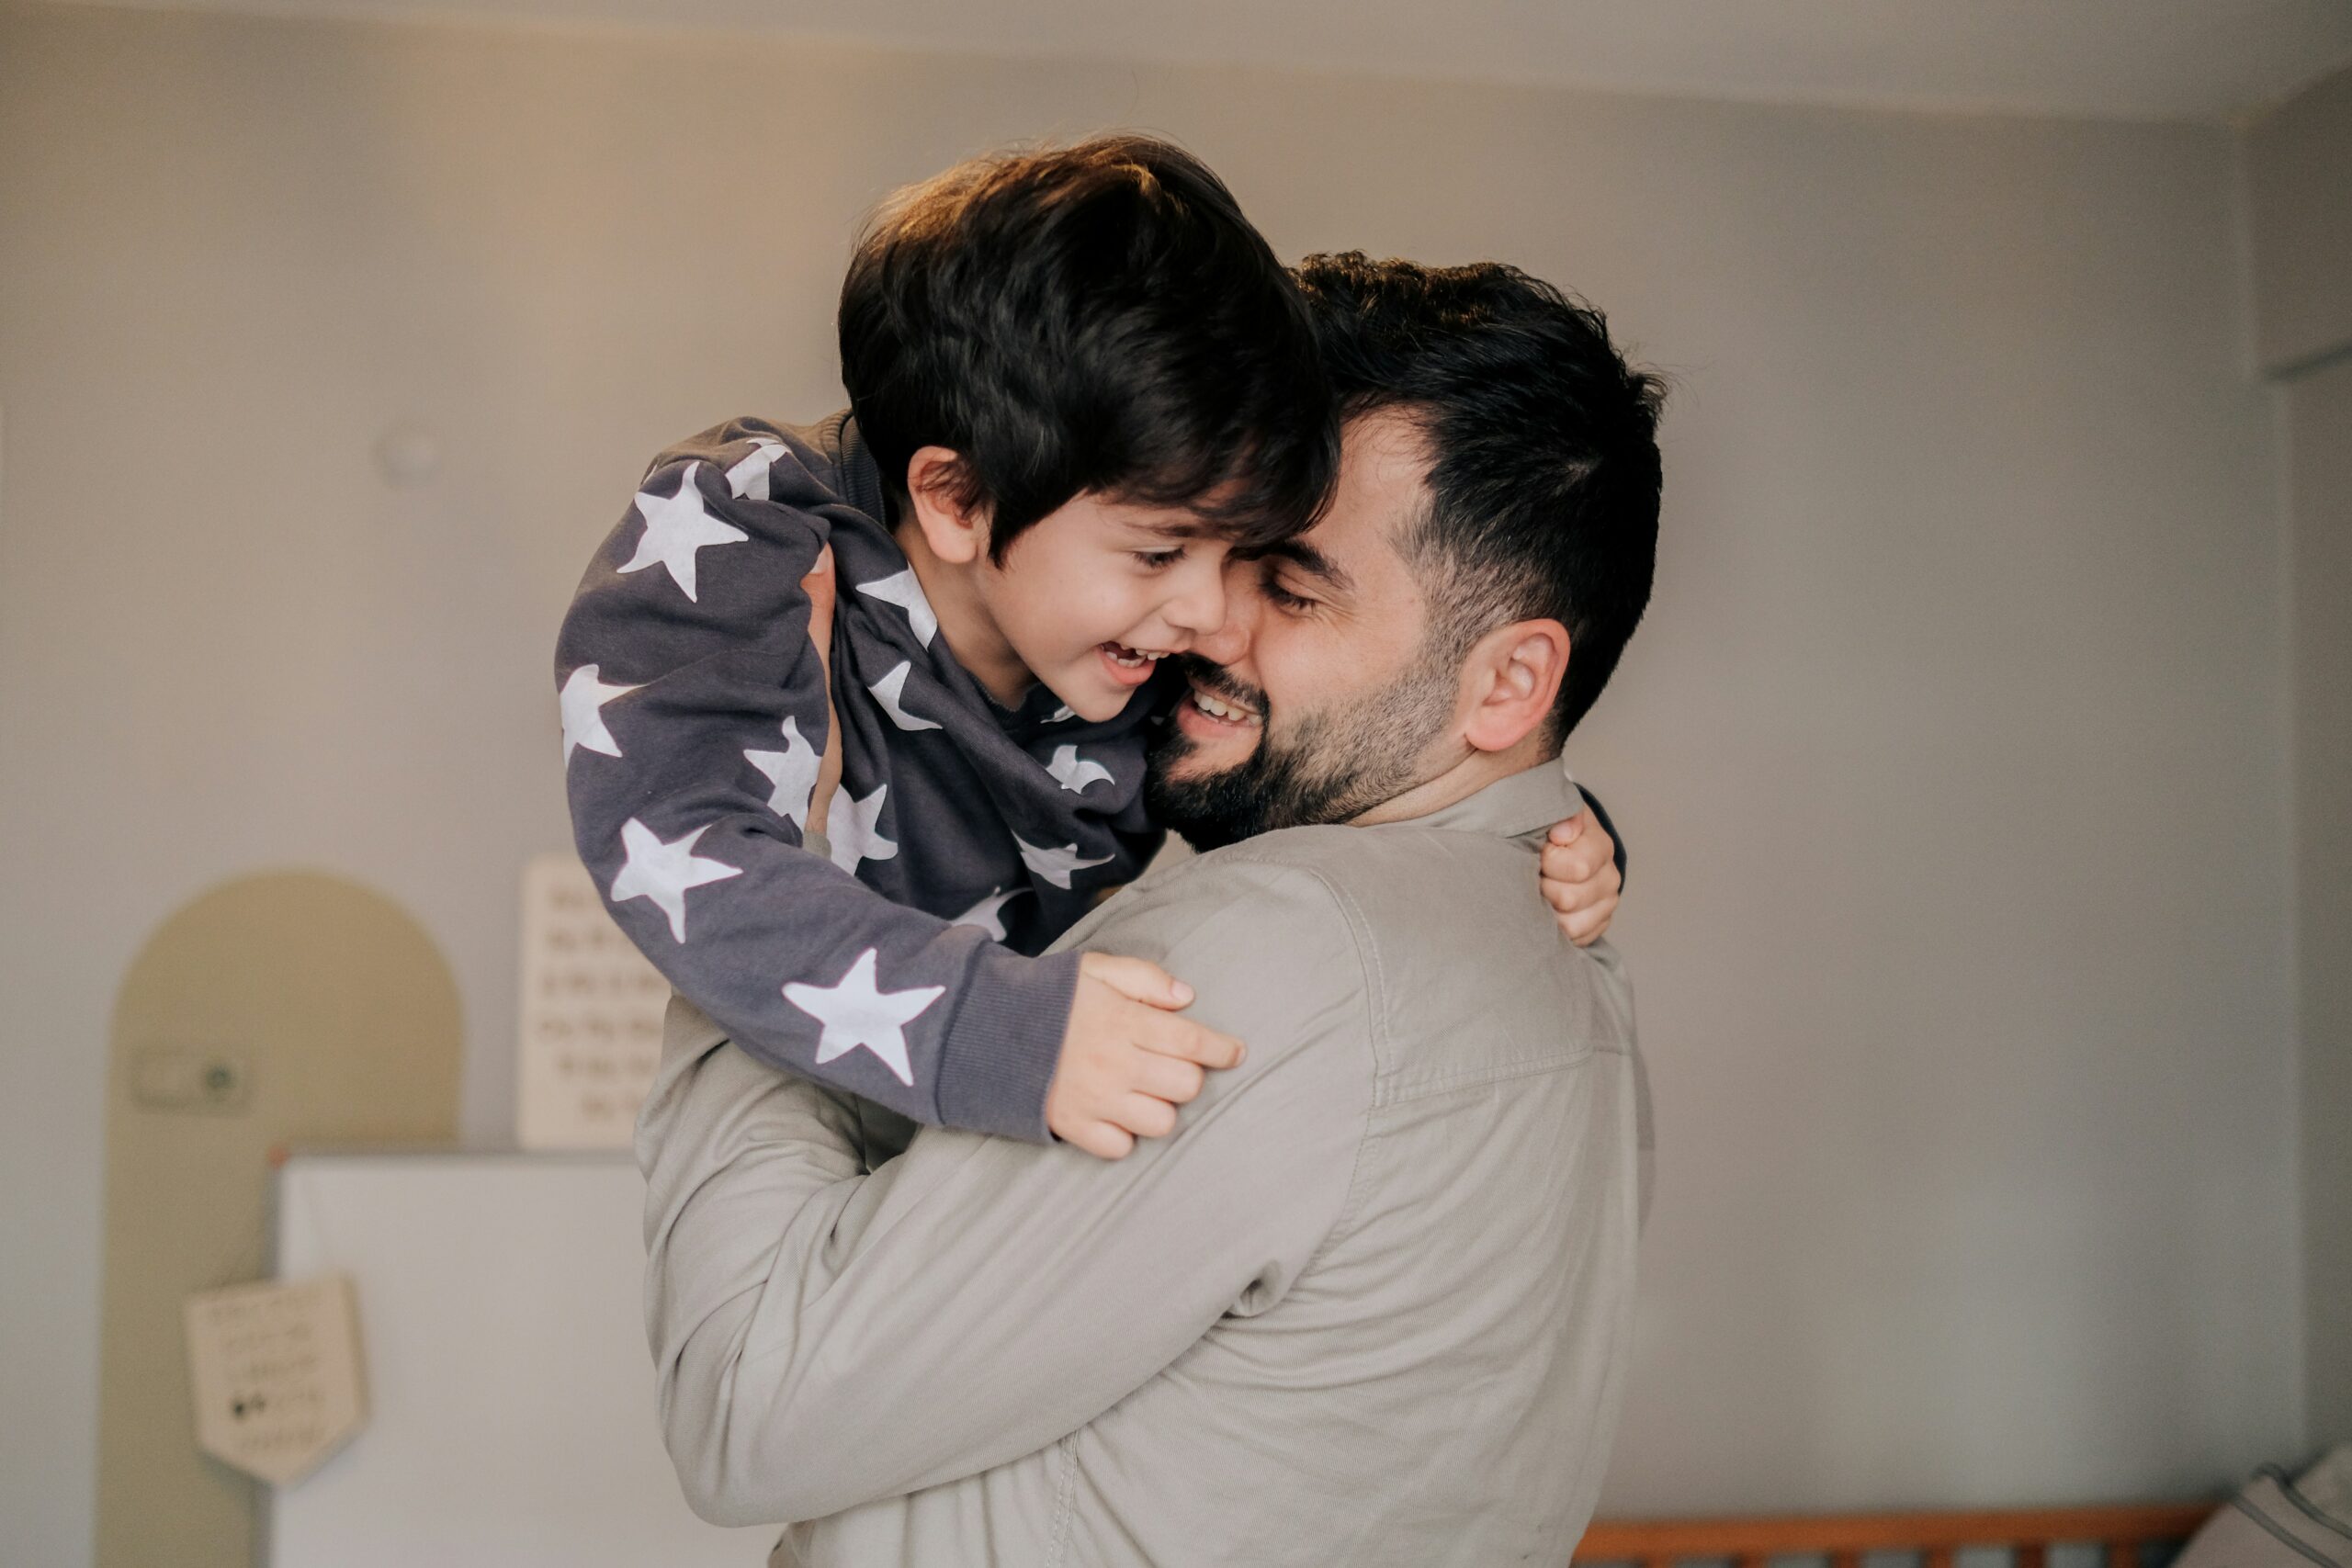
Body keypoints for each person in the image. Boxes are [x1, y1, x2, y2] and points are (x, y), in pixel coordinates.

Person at [638, 252, 1664, 1567]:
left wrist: (766, 884)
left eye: (1290, 586)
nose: (1201, 618)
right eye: (1204, 545)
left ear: (1511, 680)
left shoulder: (1280, 948)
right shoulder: (1583, 982)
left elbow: (746, 1397)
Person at [558, 137, 1624, 1159]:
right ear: (959, 497)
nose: (1214, 619)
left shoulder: (1137, 644)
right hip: (840, 1116)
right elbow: (682, 854)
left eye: (1245, 556)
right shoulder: (745, 531)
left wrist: (1537, 824)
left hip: (992, 1160)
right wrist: (1002, 1031)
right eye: (1160, 552)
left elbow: (1304, 772)